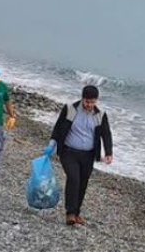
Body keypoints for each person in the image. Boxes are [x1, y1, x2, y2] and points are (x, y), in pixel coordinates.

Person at [47, 85, 113, 226]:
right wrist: (52, 144)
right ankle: (70, 213)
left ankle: (77, 213)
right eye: (87, 101)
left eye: (92, 102)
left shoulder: (100, 114)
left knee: (83, 182)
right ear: (82, 98)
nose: (89, 105)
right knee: (74, 178)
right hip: (69, 151)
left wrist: (108, 153)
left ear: (96, 100)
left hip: (88, 155)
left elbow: (106, 134)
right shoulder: (70, 109)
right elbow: (58, 127)